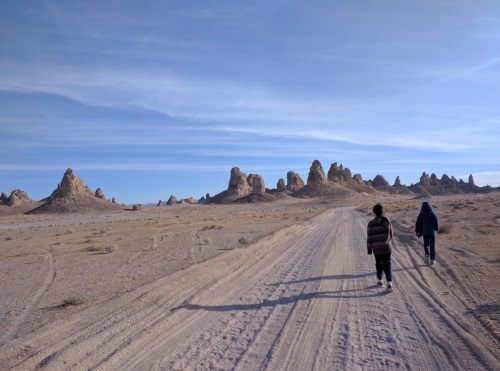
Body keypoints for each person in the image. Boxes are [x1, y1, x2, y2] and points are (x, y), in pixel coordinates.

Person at [367, 203, 394, 292]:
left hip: (377, 248)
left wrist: (369, 249)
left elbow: (369, 238)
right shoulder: (387, 222)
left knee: (379, 264)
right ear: (382, 212)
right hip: (387, 247)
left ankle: (380, 280)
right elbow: (391, 236)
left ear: (374, 212)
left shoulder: (371, 224)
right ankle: (389, 283)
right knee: (388, 264)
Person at [415, 201, 439, 265]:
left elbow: (418, 223)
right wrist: (436, 229)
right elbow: (436, 222)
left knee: (426, 244)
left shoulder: (421, 214)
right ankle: (432, 260)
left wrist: (417, 231)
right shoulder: (432, 213)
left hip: (425, 232)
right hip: (432, 232)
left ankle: (427, 255)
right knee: (432, 245)